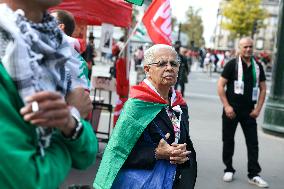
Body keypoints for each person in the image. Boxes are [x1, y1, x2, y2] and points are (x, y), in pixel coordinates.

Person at [0, 0, 97, 188]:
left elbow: (87, 154)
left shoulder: (58, 50)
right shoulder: (5, 47)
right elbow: (29, 181)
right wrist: (69, 128)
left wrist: (70, 123)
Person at [94, 44, 197, 189]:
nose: (169, 68)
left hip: (173, 181)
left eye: (174, 63)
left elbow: (186, 143)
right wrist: (156, 153)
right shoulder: (137, 105)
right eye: (161, 63)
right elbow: (117, 151)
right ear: (147, 70)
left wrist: (181, 154)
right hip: (140, 183)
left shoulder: (179, 105)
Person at [217, 37, 268, 188]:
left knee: (253, 143)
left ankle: (254, 174)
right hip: (231, 110)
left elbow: (263, 88)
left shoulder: (257, 66)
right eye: (245, 47)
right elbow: (220, 85)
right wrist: (227, 106)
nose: (248, 49)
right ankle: (228, 168)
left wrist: (258, 109)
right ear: (240, 48)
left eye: (250, 47)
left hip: (249, 112)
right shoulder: (232, 64)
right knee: (228, 140)